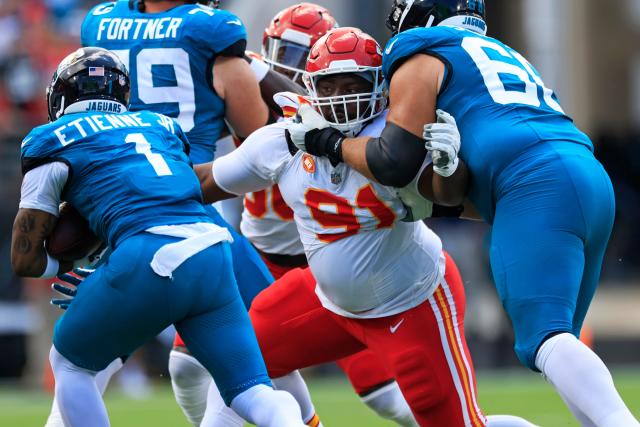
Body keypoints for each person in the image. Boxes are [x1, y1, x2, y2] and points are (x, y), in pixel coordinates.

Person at [284, 1, 639, 426]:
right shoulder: (502, 54)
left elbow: (393, 159)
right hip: (587, 174)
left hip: (533, 180)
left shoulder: (421, 52)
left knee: (545, 338)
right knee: (556, 343)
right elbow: (459, 196)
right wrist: (443, 176)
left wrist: (329, 142)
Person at [196, 26, 537, 427]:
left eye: (352, 83)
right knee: (236, 361)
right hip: (326, 301)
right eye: (330, 85)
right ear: (311, 87)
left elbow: (451, 198)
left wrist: (450, 168)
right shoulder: (284, 140)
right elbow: (203, 183)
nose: (342, 97)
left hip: (411, 302)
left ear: (380, 85)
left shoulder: (395, 141)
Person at [40, 2, 312, 427]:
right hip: (191, 207)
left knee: (84, 363)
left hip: (115, 209)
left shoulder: (100, 23)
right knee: (265, 351)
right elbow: (253, 129)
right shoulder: (212, 29)